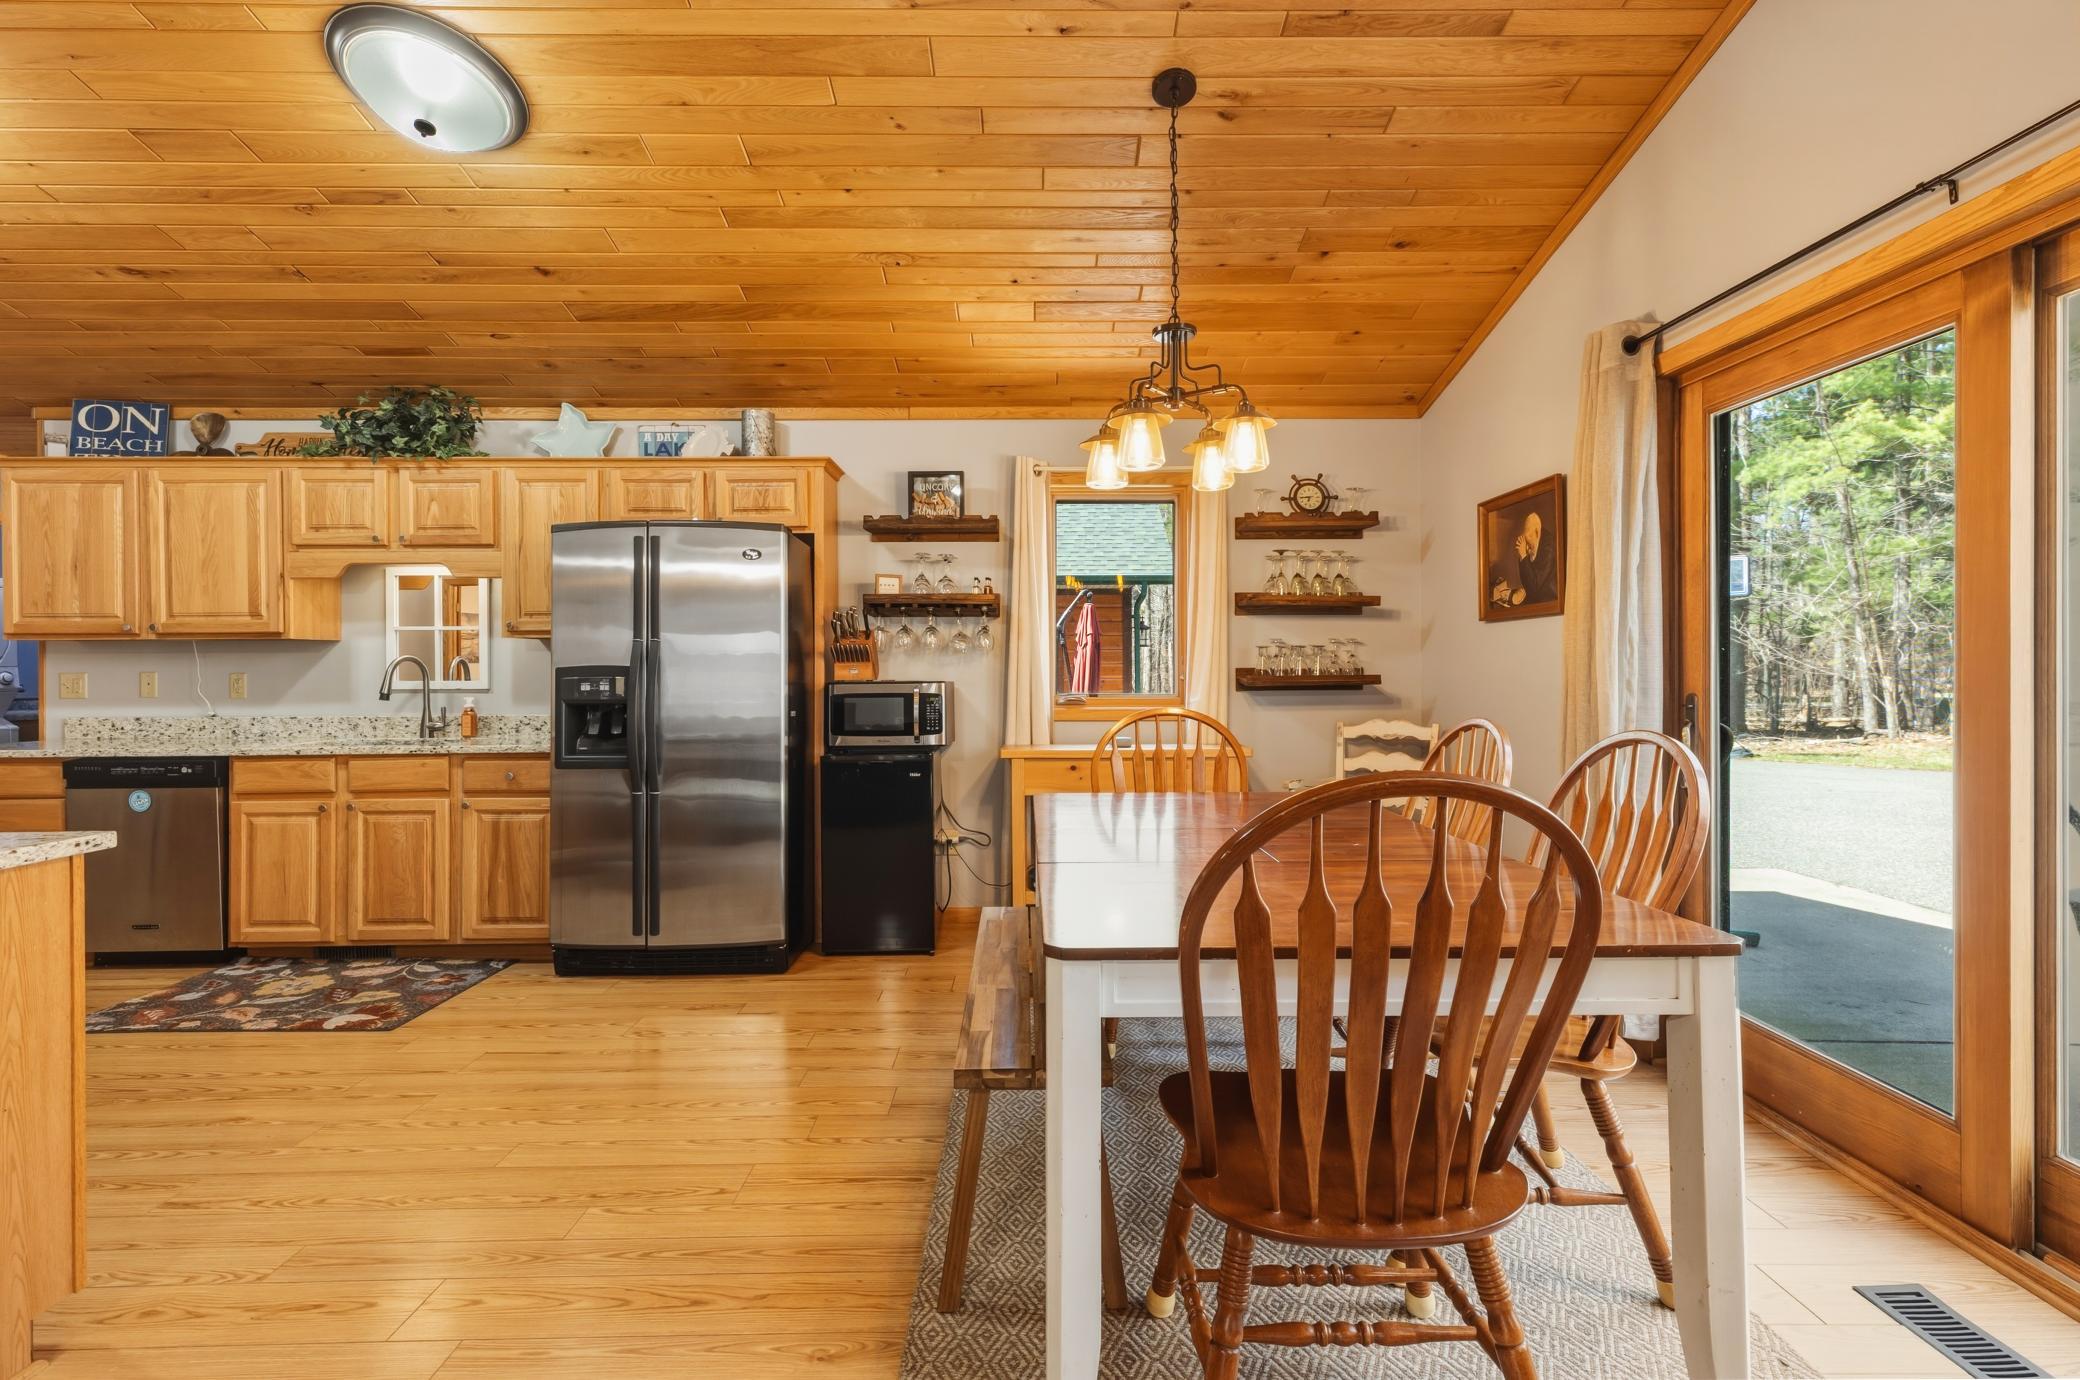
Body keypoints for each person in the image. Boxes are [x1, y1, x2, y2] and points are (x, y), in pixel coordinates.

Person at [1489, 508, 1557, 608]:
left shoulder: (1549, 548)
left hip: (1547, 600)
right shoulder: (1535, 541)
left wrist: (1524, 556)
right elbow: (1527, 583)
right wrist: (1523, 557)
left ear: (1537, 532)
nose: (1525, 543)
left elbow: (1534, 587)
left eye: (1528, 537)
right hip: (1534, 596)